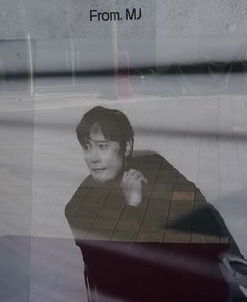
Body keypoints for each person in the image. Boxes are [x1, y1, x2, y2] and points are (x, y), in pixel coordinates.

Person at [65, 106, 245, 302]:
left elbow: (193, 201)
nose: (93, 158)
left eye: (102, 146)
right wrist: (131, 205)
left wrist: (223, 250)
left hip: (200, 282)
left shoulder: (154, 166)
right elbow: (114, 273)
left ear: (126, 147)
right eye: (87, 147)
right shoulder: (78, 207)